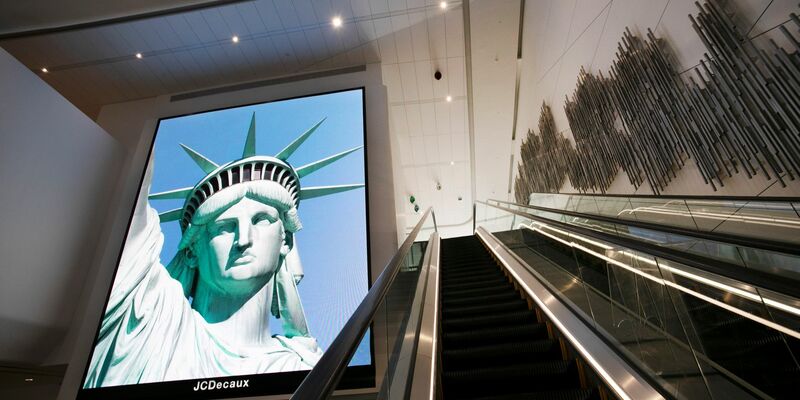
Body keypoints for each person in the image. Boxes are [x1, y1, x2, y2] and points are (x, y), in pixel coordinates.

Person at [83, 115, 363, 388]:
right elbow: (131, 197)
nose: (243, 239)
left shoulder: (306, 367)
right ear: (192, 251)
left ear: (285, 241)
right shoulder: (147, 318)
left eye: (261, 220)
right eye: (224, 228)